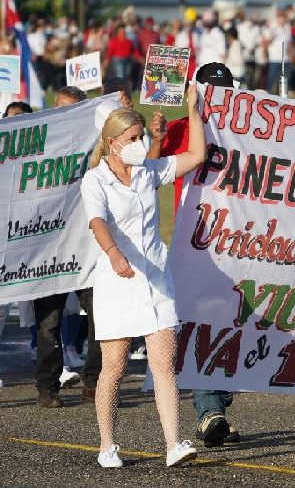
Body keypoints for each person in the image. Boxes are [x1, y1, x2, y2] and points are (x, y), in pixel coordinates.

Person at [80, 89, 206, 467]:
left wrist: (193, 111)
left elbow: (196, 156)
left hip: (155, 279)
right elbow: (97, 222)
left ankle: (173, 444)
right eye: (132, 139)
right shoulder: (95, 180)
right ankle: (107, 445)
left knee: (164, 365)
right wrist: (115, 255)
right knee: (114, 367)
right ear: (112, 143)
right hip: (116, 280)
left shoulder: (150, 171)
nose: (139, 144)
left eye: (141, 137)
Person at [149, 62, 241, 447]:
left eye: (226, 90)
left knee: (235, 326)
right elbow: (149, 169)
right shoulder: (183, 129)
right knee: (205, 323)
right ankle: (209, 412)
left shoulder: (246, 127)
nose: (219, 97)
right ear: (196, 90)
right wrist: (156, 135)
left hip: (242, 242)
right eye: (212, 90)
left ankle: (216, 407)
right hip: (197, 241)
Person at [32, 86, 103, 409]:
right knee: (48, 325)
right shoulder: (38, 148)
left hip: (88, 250)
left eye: (72, 111)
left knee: (102, 320)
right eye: (60, 109)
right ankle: (47, 387)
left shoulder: (96, 149)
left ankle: (94, 382)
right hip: (50, 252)